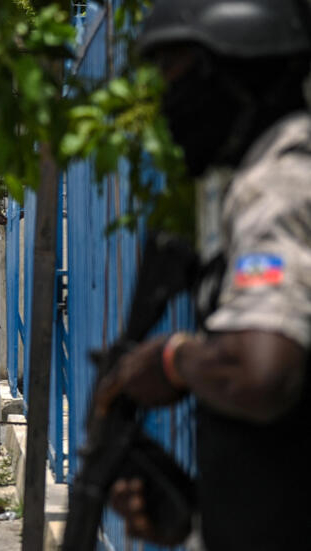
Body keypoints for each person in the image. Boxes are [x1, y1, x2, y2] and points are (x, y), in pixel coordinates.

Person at [104, 1, 311, 548]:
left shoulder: (280, 180)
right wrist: (192, 516)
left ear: (237, 73)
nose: (168, 98)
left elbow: (263, 374)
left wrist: (173, 360)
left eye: (176, 71)